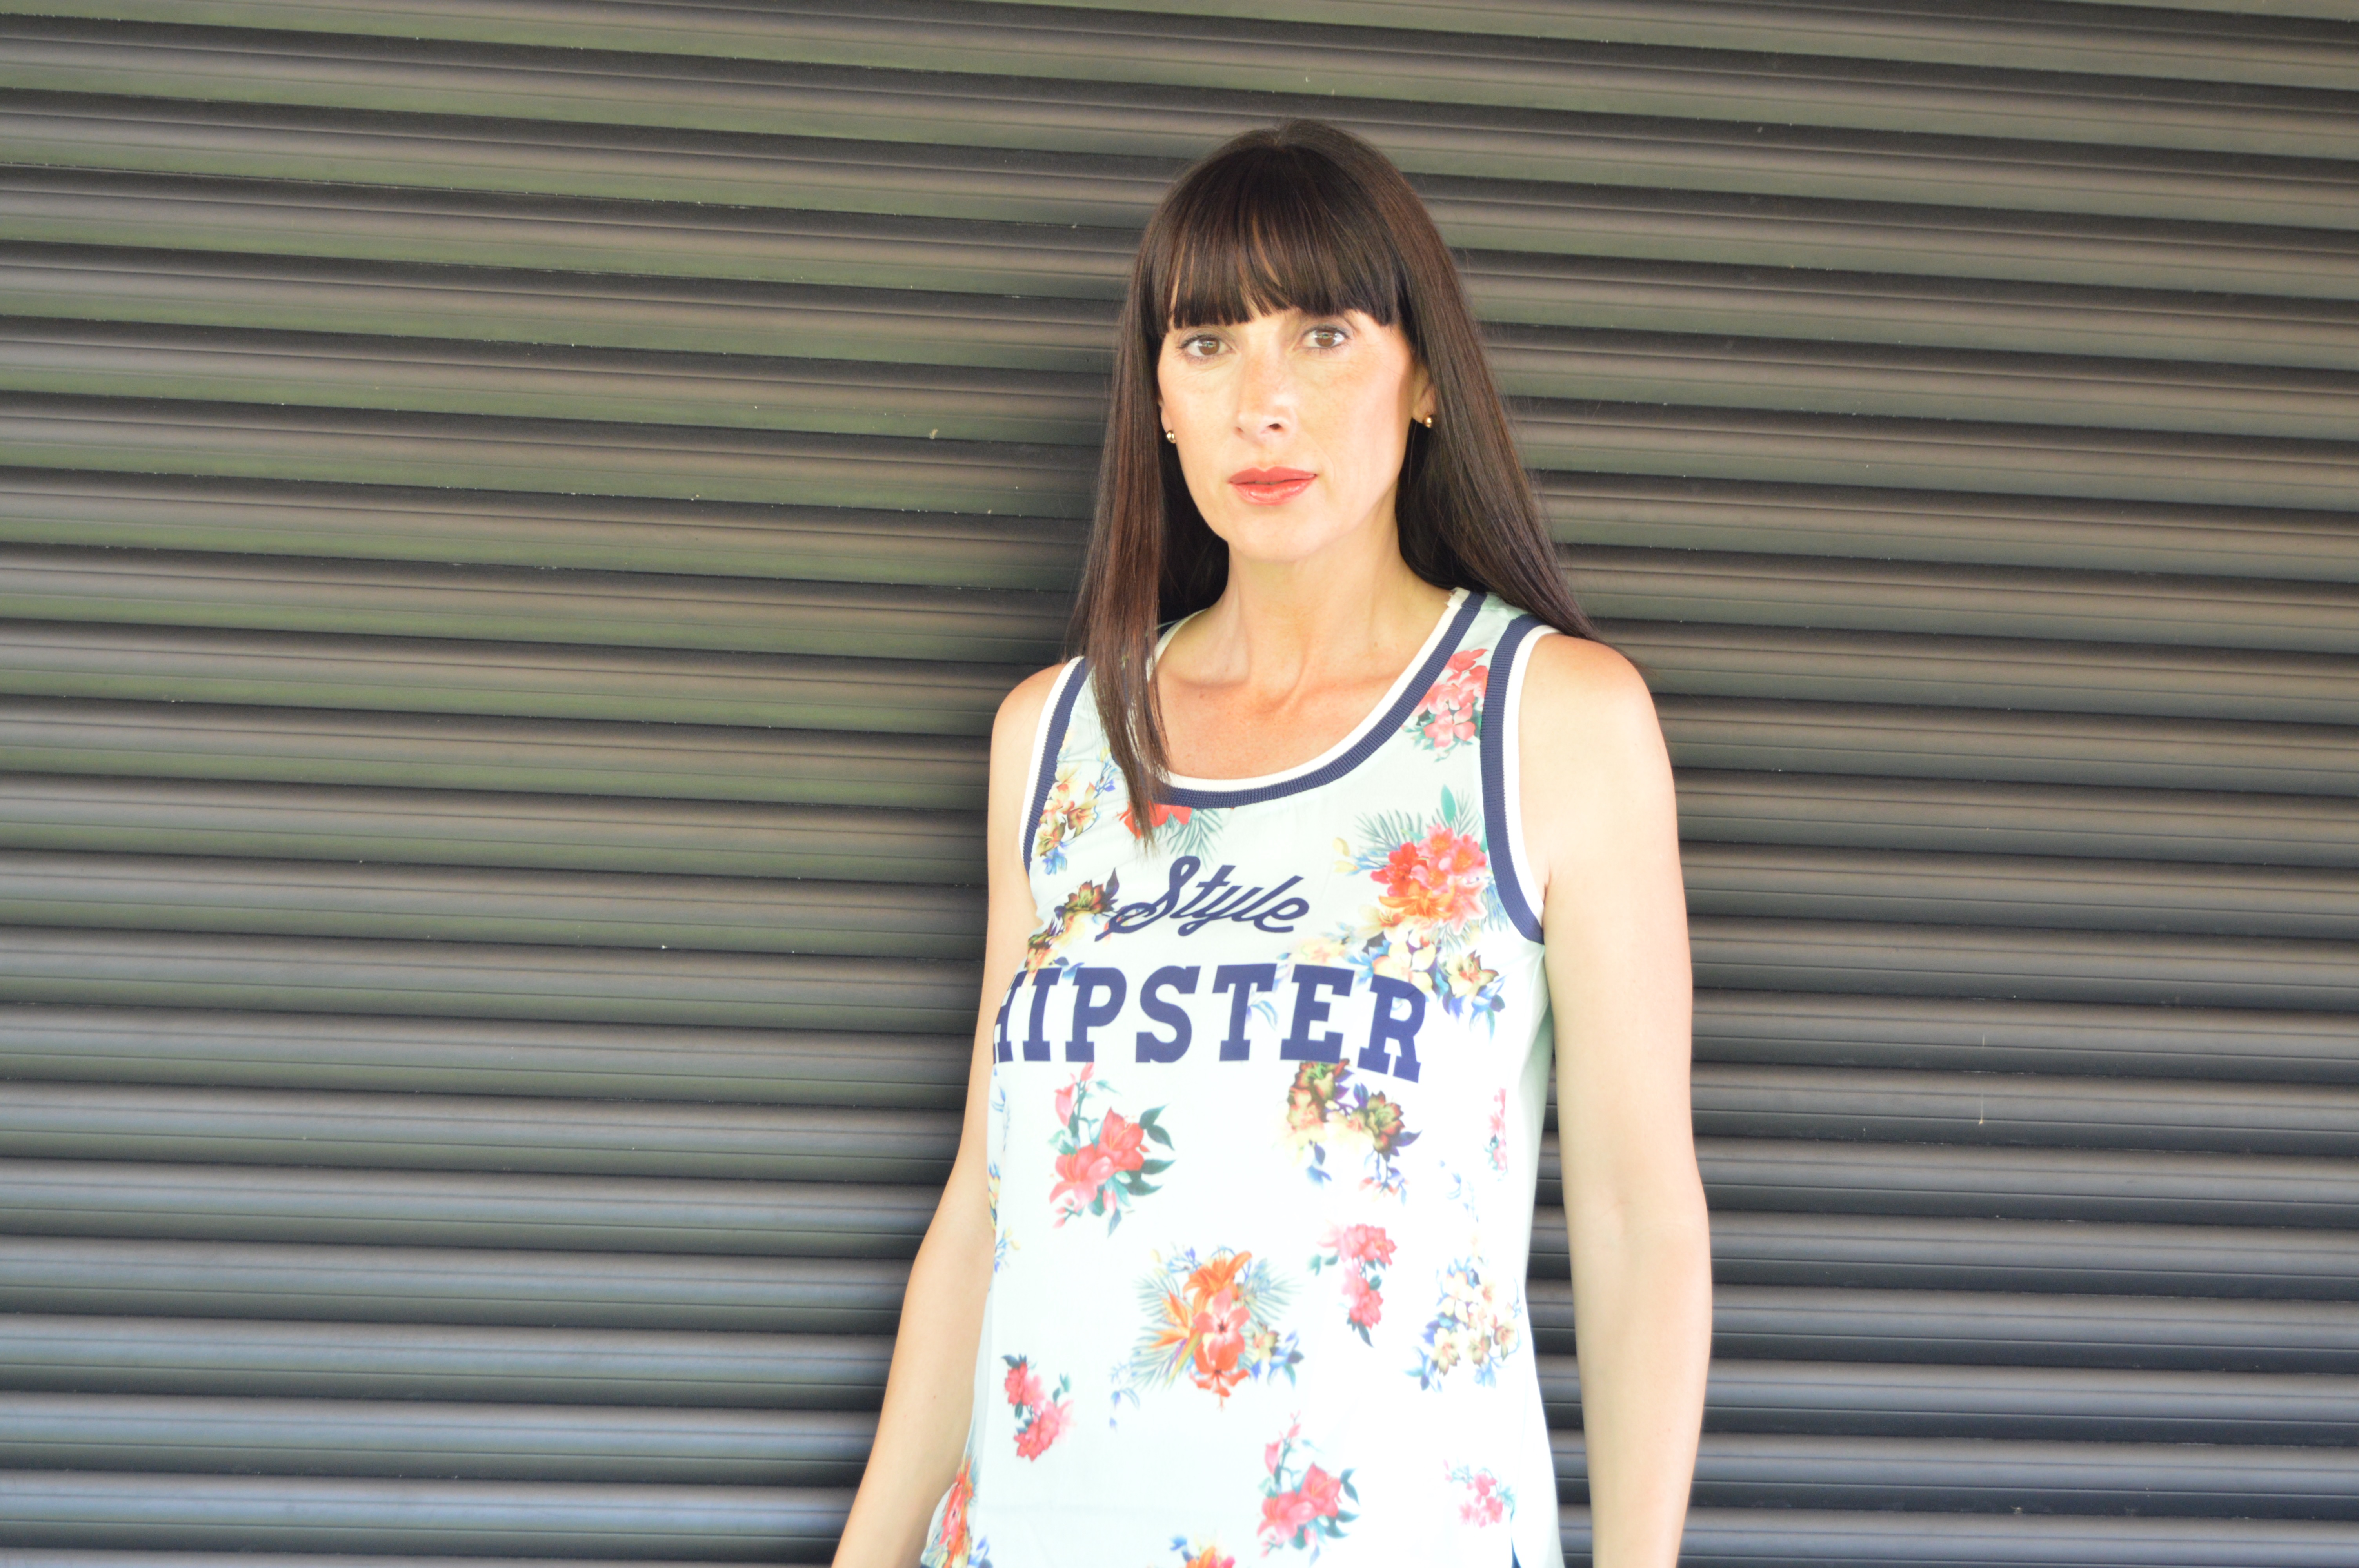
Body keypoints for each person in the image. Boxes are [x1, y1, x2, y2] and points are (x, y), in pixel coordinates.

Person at [834, 119, 1709, 1568]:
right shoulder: (1053, 740)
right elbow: (987, 1212)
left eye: (1322, 335)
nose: (1264, 405)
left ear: (1424, 376)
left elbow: (1636, 1222)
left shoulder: (1554, 721)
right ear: (1159, 400)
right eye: (1208, 344)